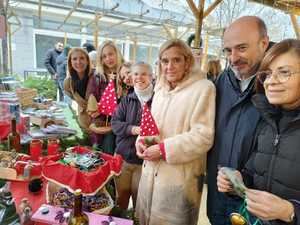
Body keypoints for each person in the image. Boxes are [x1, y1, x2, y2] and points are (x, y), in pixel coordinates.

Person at [217, 39, 300, 225]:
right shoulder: (269, 122)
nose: (271, 81)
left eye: (284, 72)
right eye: (268, 74)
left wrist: (290, 212)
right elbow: (256, 172)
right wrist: (238, 181)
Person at [135, 39, 216, 225]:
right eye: (164, 61)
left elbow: (203, 136)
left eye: (176, 60)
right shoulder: (160, 89)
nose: (169, 66)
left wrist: (164, 149)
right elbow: (151, 126)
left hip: (178, 179)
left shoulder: (203, 88)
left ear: (188, 62)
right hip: (150, 175)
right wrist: (141, 140)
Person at [207, 16, 270, 225]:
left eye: (241, 48)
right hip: (218, 195)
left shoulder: (278, 85)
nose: (233, 58)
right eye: (227, 50)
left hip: (256, 204)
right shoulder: (221, 82)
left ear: (264, 43)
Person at [111, 62, 154, 210]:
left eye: (143, 74)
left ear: (151, 76)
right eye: (136, 74)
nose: (139, 77)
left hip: (142, 163)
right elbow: (115, 124)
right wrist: (133, 129)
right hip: (123, 158)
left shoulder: (157, 100)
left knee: (139, 200)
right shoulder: (127, 99)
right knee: (121, 198)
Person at [87, 40, 124, 154]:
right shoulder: (97, 77)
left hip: (123, 125)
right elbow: (91, 99)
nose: (108, 58)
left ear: (117, 53)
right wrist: (95, 109)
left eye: (111, 54)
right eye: (104, 56)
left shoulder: (126, 73)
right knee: (106, 154)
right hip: (103, 124)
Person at [64, 47, 92, 131]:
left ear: (87, 61)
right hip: (83, 122)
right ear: (70, 62)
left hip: (100, 123)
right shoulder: (68, 83)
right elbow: (73, 97)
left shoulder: (97, 77)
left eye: (82, 58)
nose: (78, 62)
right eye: (74, 59)